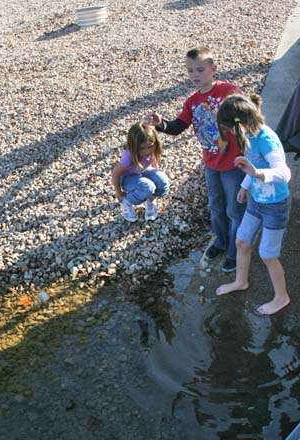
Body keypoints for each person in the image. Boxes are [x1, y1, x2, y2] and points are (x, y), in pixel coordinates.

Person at [144, 46, 245, 273]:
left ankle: (235, 250)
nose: (195, 75)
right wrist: (161, 123)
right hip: (211, 164)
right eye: (190, 71)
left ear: (213, 69)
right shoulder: (191, 101)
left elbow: (247, 115)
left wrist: (237, 125)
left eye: (200, 69)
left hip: (233, 164)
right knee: (216, 206)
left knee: (234, 209)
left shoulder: (228, 90)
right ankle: (220, 242)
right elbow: (177, 127)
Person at [215, 94, 291, 315]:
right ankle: (241, 281)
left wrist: (256, 174)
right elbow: (252, 165)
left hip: (275, 204)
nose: (229, 135)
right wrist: (246, 185)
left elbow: (284, 172)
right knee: (241, 241)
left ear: (238, 125)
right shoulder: (248, 134)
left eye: (228, 130)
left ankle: (281, 297)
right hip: (256, 199)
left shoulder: (266, 139)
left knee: (268, 254)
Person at [111, 123, 170, 222]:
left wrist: (156, 170)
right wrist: (119, 193)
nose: (147, 151)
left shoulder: (152, 149)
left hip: (142, 170)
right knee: (147, 187)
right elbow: (115, 174)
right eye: (142, 148)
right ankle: (126, 203)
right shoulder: (128, 156)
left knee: (163, 181)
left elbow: (153, 158)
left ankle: (150, 201)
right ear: (134, 146)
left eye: (150, 146)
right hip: (127, 177)